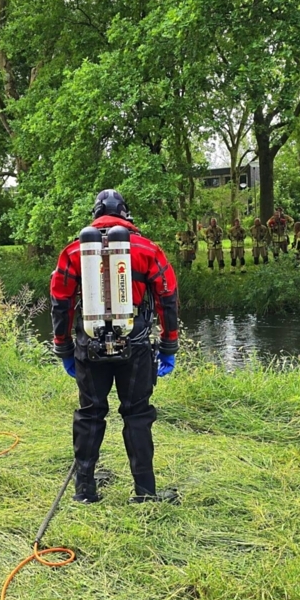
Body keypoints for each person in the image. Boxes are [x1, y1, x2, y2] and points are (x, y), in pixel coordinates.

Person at [50, 189, 180, 504]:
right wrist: (168, 345)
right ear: (125, 214)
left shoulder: (74, 251)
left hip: (89, 344)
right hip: (134, 344)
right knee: (137, 415)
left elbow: (60, 301)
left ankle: (84, 490)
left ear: (95, 214)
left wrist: (64, 348)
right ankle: (145, 492)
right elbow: (167, 297)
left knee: (90, 414)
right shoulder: (148, 249)